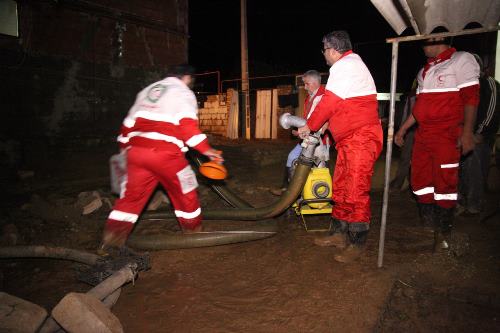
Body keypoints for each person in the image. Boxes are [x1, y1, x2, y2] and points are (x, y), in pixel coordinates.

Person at [98, 64, 223, 254]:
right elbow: (187, 128)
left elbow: (126, 127)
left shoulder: (147, 91)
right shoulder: (183, 92)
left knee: (131, 199)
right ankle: (193, 233)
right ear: (187, 78)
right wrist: (208, 150)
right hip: (166, 154)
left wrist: (126, 153)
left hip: (135, 153)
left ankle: (110, 241)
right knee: (185, 191)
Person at [297, 31, 383, 263]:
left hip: (361, 138)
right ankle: (338, 234)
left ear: (332, 49)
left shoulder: (344, 67)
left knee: (355, 190)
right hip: (350, 140)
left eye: (324, 50)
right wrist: (324, 125)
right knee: (342, 187)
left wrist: (311, 125)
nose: (324, 54)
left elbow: (329, 102)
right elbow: (341, 105)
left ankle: (357, 241)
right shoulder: (350, 66)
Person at [395, 35, 480, 252]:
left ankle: (443, 232)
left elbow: (471, 97)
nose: (422, 47)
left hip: (447, 134)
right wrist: (403, 129)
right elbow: (419, 108)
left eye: (425, 42)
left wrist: (468, 132)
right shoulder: (425, 70)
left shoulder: (461, 60)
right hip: (424, 135)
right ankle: (428, 225)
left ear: (437, 39)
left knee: (445, 184)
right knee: (420, 179)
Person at [270, 70, 327, 196]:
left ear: (314, 83)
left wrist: (307, 129)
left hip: (320, 142)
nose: (305, 87)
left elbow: (323, 121)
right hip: (307, 138)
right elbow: (307, 120)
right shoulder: (310, 97)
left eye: (306, 84)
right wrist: (302, 131)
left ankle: (316, 195)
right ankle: (287, 189)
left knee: (319, 168)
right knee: (292, 158)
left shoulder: (325, 97)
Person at [457, 54, 500, 215]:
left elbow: (492, 110)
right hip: (465, 135)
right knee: (461, 170)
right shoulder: (465, 85)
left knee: (474, 171)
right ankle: (461, 202)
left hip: (481, 137)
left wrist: (478, 133)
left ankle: (474, 205)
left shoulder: (489, 84)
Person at [390, 79, 418, 192]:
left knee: (410, 159)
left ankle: (404, 185)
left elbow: (415, 114)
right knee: (406, 159)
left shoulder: (419, 95)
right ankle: (403, 184)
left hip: (415, 130)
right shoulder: (410, 96)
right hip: (408, 131)